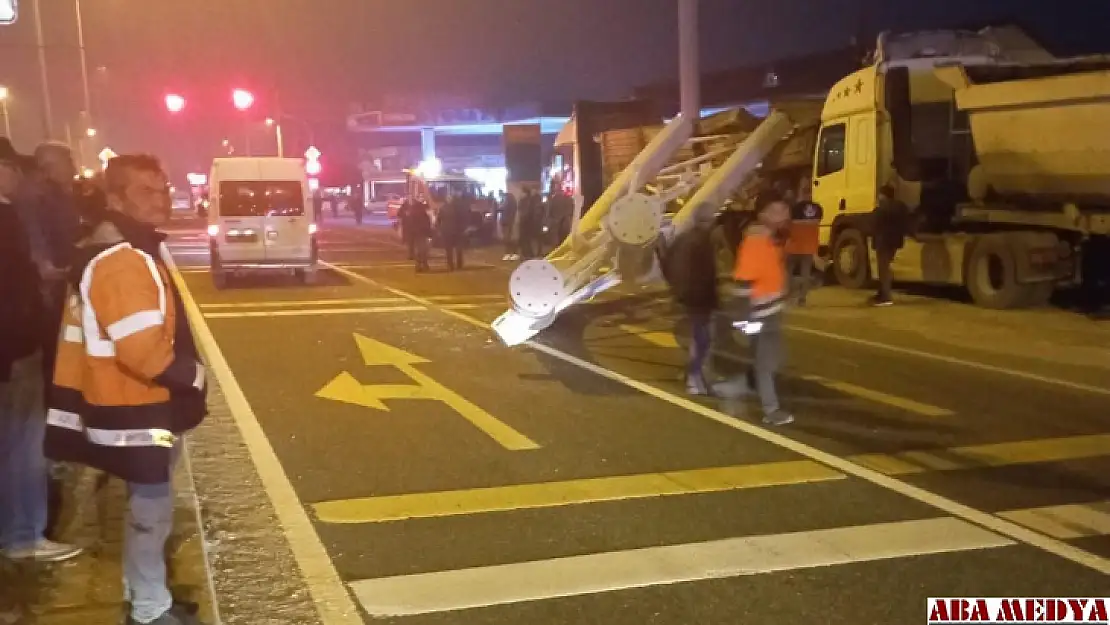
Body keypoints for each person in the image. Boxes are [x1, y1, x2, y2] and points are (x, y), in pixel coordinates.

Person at [43, 154, 209, 625]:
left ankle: (147, 593)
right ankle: (149, 609)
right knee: (150, 512)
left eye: (163, 189)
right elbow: (141, 350)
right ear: (115, 198)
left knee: (148, 509)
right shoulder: (122, 259)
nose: (161, 200)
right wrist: (194, 376)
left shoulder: (125, 249)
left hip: (130, 403)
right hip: (136, 406)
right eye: (145, 192)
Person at [0, 138, 84, 565]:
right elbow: (21, 284)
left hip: (13, 348)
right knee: (22, 443)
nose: (18, 176)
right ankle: (23, 535)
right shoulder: (9, 215)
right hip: (16, 350)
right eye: (12, 168)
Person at [731, 191, 794, 426]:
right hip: (760, 315)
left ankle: (749, 384)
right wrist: (743, 319)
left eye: (785, 210)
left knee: (769, 359)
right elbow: (742, 282)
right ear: (762, 214)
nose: (783, 215)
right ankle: (771, 410)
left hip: (770, 311)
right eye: (777, 211)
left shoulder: (770, 240)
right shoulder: (756, 242)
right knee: (767, 362)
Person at [664, 209, 721, 395]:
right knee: (703, 340)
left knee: (700, 339)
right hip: (698, 298)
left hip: (693, 296)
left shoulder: (686, 239)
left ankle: (698, 375)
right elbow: (701, 273)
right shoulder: (700, 241)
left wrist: (676, 290)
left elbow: (668, 262)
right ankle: (693, 377)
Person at [784, 176, 823, 306]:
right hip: (809, 246)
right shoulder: (818, 208)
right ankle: (802, 298)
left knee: (788, 271)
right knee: (805, 273)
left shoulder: (794, 208)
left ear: (801, 191)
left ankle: (788, 295)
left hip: (794, 245)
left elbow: (788, 225)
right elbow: (816, 225)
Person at [871, 182, 910, 306]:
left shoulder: (881, 208)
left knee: (883, 269)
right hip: (895, 241)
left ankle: (886, 297)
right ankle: (881, 292)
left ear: (883, 195)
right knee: (886, 266)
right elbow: (905, 223)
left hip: (883, 241)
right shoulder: (901, 206)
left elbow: (874, 225)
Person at [438, 191, 468, 271]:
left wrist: (439, 229)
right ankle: (457, 264)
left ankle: (452, 264)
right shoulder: (457, 208)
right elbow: (439, 220)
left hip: (449, 231)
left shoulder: (443, 208)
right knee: (455, 249)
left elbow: (438, 220)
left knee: (450, 249)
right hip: (454, 231)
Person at [408, 199, 432, 273]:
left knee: (418, 250)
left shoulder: (412, 213)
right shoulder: (424, 214)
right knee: (424, 250)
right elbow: (427, 224)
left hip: (415, 234)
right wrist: (429, 234)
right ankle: (424, 265)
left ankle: (418, 266)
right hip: (423, 233)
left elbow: (410, 224)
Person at [500, 190, 520, 261]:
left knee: (507, 238)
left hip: (506, 222)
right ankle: (511, 253)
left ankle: (509, 253)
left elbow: (502, 209)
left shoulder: (507, 204)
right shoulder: (512, 204)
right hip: (508, 222)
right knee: (509, 237)